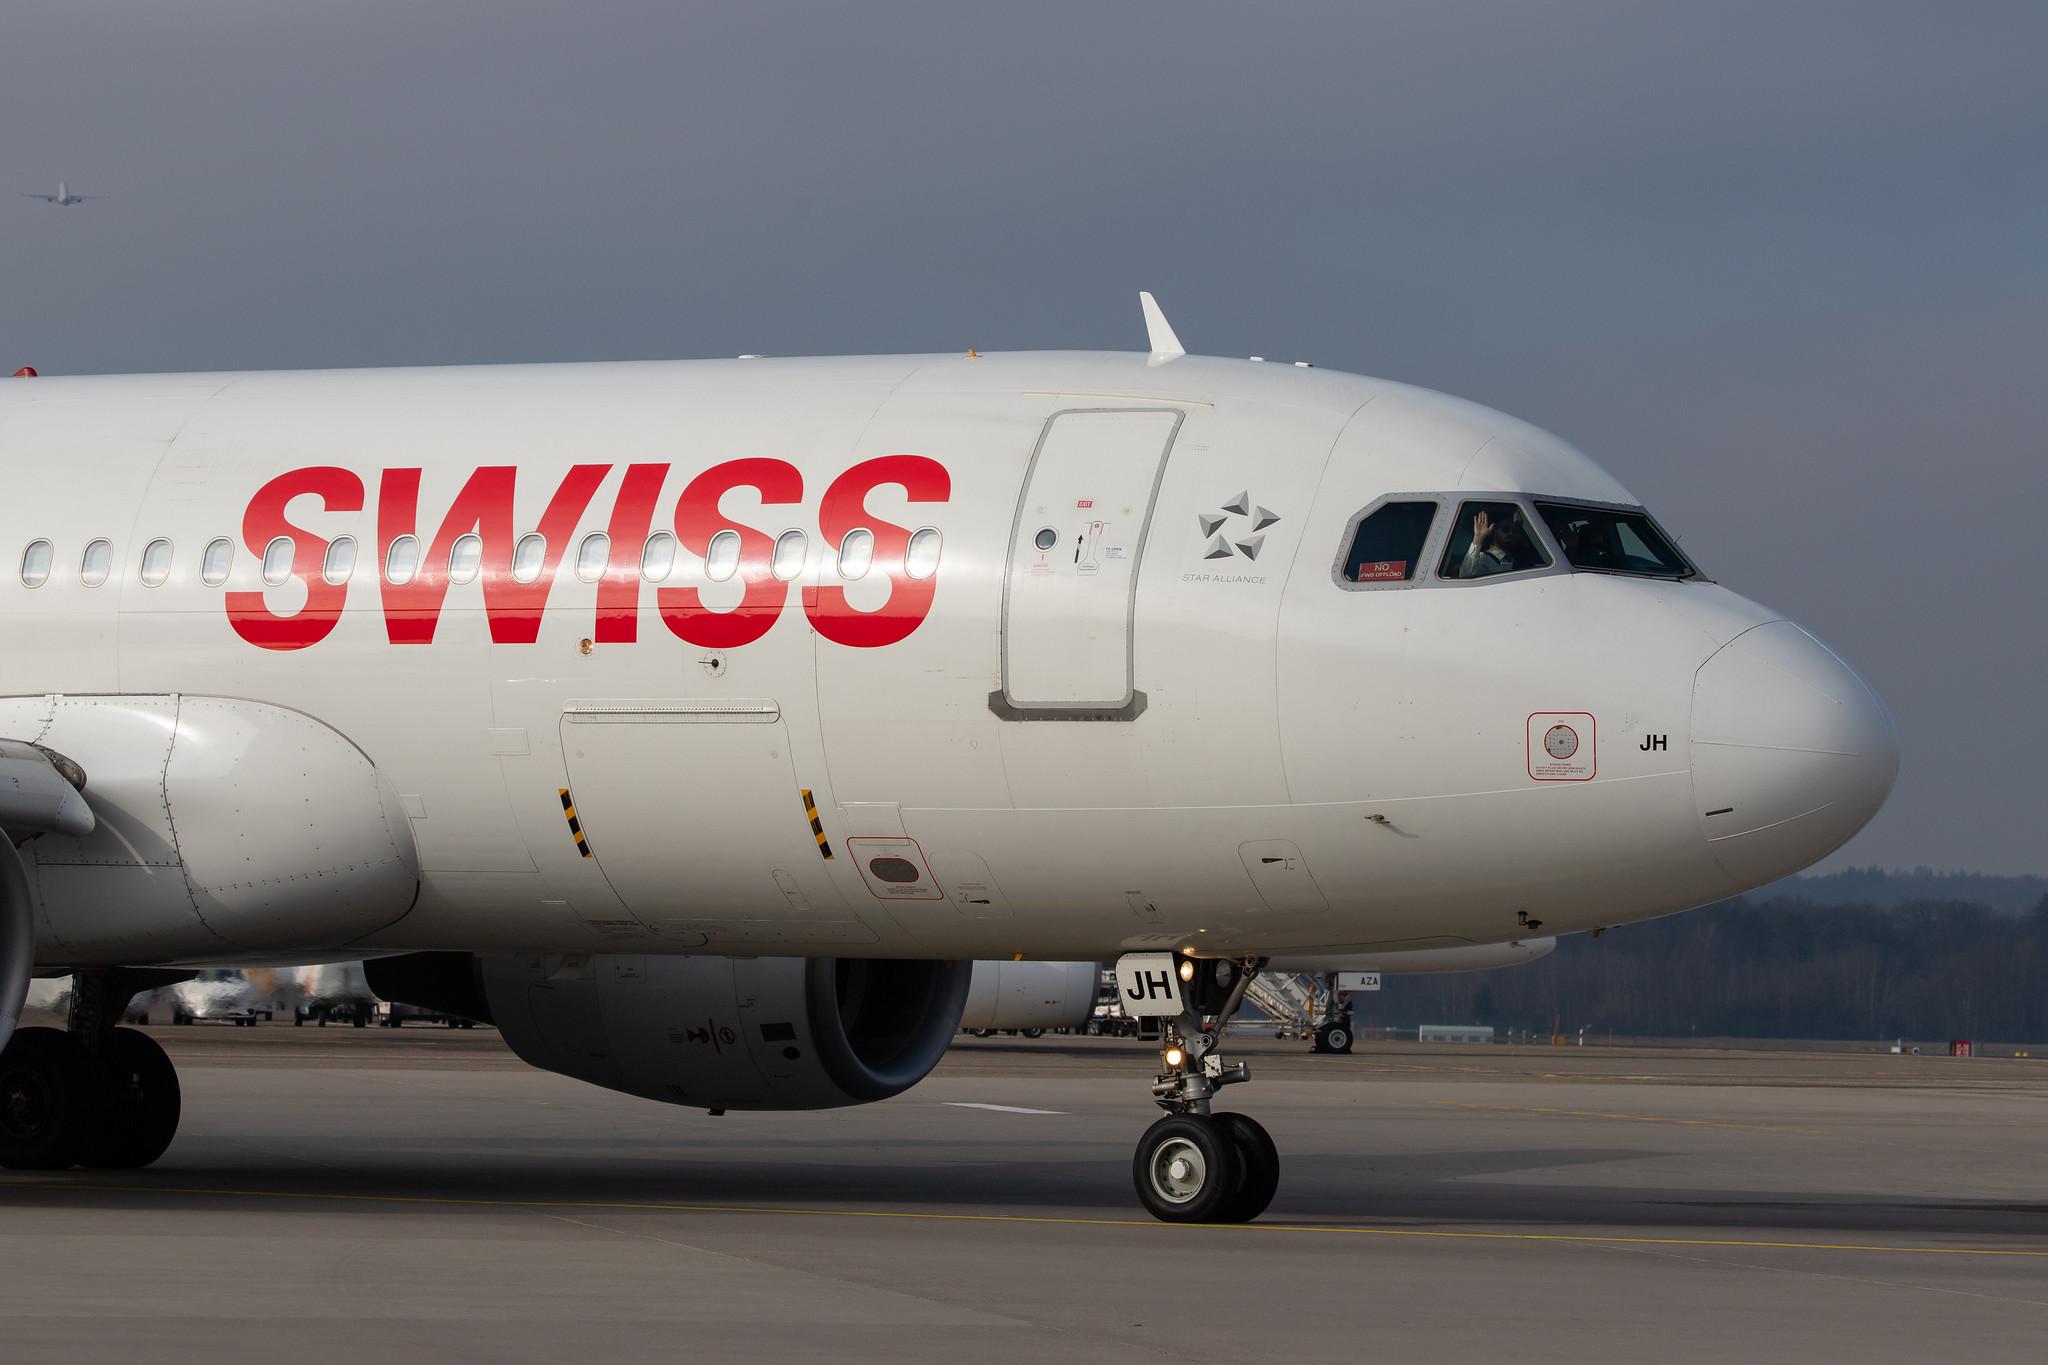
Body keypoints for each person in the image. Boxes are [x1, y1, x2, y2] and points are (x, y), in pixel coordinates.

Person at [1457, 506, 1536, 577]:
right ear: (1495, 531)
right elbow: (1465, 576)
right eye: (1505, 529)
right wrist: (1478, 539)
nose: (1510, 533)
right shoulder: (1483, 558)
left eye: (1515, 530)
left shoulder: (1516, 560)